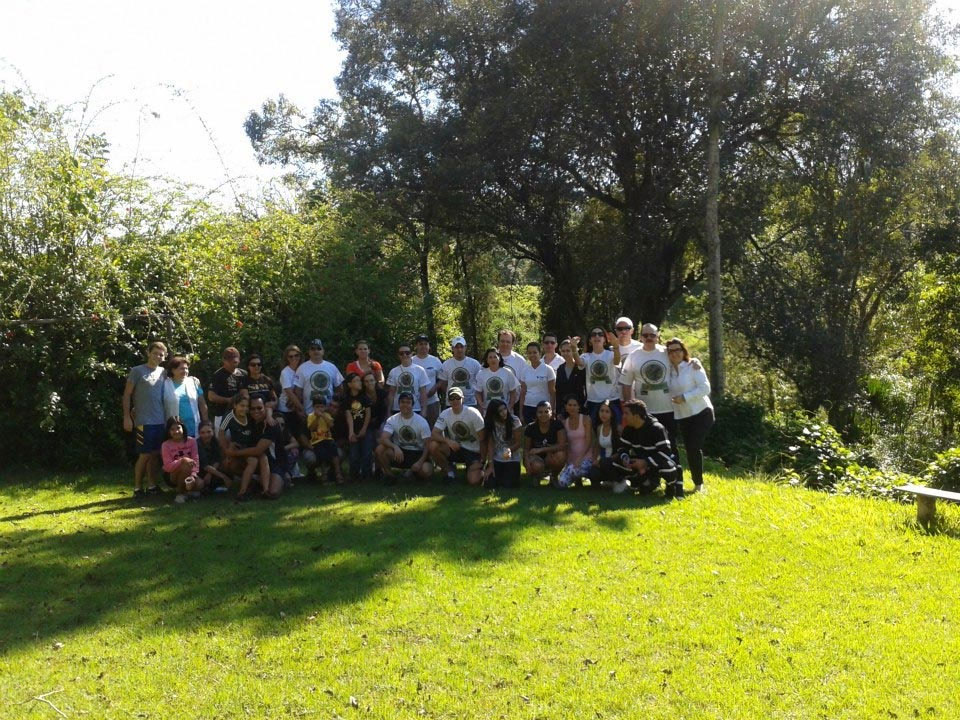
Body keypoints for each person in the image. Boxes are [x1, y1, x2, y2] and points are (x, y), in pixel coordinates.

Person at [588, 400, 681, 497]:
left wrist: (645, 462)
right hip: (638, 464)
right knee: (607, 463)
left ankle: (670, 488)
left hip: (655, 464)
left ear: (636, 416)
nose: (623, 416)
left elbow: (665, 453)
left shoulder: (656, 428)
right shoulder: (629, 429)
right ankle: (634, 482)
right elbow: (622, 448)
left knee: (669, 468)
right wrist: (625, 458)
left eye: (626, 413)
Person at [619, 323, 684, 458]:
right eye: (645, 335)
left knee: (670, 445)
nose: (649, 338)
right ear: (640, 337)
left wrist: (694, 363)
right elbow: (626, 384)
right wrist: (629, 408)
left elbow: (683, 363)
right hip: (644, 412)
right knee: (645, 446)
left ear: (658, 336)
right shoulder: (633, 356)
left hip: (668, 408)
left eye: (652, 335)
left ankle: (675, 471)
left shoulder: (666, 353)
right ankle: (649, 472)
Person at [666, 337, 715, 493]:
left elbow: (705, 388)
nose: (675, 353)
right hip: (683, 416)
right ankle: (695, 483)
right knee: (689, 448)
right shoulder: (667, 370)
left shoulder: (693, 365)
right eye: (671, 351)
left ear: (683, 351)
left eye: (678, 350)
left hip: (702, 412)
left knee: (693, 447)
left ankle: (699, 485)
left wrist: (685, 397)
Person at [122, 340, 168, 497]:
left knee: (155, 454)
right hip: (143, 421)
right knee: (144, 455)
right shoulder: (137, 371)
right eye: (155, 353)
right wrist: (127, 417)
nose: (158, 356)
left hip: (160, 421)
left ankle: (152, 485)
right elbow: (127, 394)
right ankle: (137, 488)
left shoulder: (164, 372)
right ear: (148, 353)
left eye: (161, 354)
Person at [430, 387, 486, 485]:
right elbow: (434, 434)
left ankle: (476, 468)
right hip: (456, 448)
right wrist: (448, 441)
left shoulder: (473, 413)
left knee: (474, 481)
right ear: (448, 401)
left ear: (462, 399)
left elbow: (483, 439)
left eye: (457, 398)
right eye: (452, 398)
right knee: (433, 445)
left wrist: (482, 461)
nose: (455, 400)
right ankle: (450, 472)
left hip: (474, 451)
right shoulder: (445, 414)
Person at [375, 391, 434, 484]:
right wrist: (395, 447)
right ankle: (389, 476)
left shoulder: (422, 422)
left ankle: (413, 473)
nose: (405, 405)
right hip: (400, 452)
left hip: (418, 453)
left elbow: (428, 445)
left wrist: (420, 462)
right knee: (380, 449)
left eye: (408, 402)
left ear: (412, 405)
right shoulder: (392, 419)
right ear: (398, 404)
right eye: (402, 402)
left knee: (426, 471)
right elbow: (383, 438)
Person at [218, 394, 264, 499]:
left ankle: (243, 491)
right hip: (237, 447)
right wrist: (226, 451)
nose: (245, 409)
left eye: (247, 406)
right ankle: (249, 485)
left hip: (250, 447)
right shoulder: (229, 416)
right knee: (231, 465)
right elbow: (221, 433)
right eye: (242, 406)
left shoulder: (250, 415)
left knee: (253, 461)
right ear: (235, 405)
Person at [577, 327, 622, 426]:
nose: (597, 336)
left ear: (605, 340)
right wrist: (573, 349)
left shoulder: (611, 354)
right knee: (593, 430)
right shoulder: (586, 356)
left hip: (612, 399)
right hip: (593, 401)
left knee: (616, 430)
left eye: (600, 334)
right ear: (590, 340)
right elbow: (579, 363)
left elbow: (617, 361)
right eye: (593, 334)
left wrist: (616, 346)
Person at [160, 416, 204, 504]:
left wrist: (193, 475)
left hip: (190, 472)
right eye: (172, 429)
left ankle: (188, 490)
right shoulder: (165, 445)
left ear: (183, 428)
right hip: (171, 474)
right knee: (185, 465)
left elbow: (196, 459)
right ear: (168, 431)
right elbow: (168, 466)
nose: (176, 431)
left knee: (200, 484)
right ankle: (180, 493)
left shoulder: (192, 441)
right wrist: (182, 460)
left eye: (178, 428)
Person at [481, 399, 523, 488]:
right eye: (500, 411)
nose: (504, 412)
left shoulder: (514, 421)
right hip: (497, 458)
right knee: (489, 484)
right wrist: (490, 465)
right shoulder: (490, 422)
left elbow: (519, 442)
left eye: (505, 409)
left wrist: (509, 449)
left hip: (512, 458)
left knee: (509, 485)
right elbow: (491, 445)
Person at [162, 355, 207, 438]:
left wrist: (205, 423)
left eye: (186, 368)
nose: (185, 371)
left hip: (194, 427)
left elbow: (202, 404)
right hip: (175, 430)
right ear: (173, 370)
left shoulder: (194, 382)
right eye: (182, 368)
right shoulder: (164, 384)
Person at [304, 391, 344, 485]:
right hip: (317, 441)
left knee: (334, 453)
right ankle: (324, 476)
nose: (319, 409)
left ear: (325, 407)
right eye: (317, 407)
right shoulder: (311, 416)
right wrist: (317, 418)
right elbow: (312, 428)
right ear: (313, 407)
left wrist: (323, 416)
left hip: (328, 439)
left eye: (322, 407)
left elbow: (331, 424)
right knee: (322, 457)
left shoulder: (327, 415)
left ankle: (338, 473)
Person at [523, 401, 567, 484]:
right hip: (535, 457)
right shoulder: (530, 427)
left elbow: (562, 446)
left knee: (561, 455)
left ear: (551, 413)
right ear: (536, 413)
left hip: (550, 455)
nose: (543, 414)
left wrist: (542, 449)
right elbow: (526, 449)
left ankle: (554, 476)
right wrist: (527, 463)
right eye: (540, 412)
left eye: (546, 411)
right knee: (537, 466)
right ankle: (537, 476)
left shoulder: (557, 425)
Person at [297, 339, 344, 416]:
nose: (316, 351)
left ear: (323, 351)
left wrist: (335, 406)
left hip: (329, 414)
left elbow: (340, 388)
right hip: (309, 414)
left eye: (319, 348)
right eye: (313, 349)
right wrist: (300, 409)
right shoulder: (302, 368)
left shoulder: (332, 367)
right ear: (309, 352)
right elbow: (298, 391)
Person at [341, 372, 373, 481]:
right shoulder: (346, 399)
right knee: (354, 454)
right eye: (356, 381)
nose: (359, 383)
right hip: (354, 429)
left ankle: (367, 475)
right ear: (349, 384)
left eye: (359, 380)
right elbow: (349, 416)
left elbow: (368, 414)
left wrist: (364, 429)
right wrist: (351, 433)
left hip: (366, 429)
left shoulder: (365, 397)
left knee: (367, 452)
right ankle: (354, 475)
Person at [207, 347, 247, 433]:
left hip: (241, 414)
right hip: (222, 413)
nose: (233, 364)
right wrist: (228, 400)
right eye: (230, 361)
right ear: (224, 360)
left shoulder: (243, 374)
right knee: (222, 438)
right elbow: (211, 396)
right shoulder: (218, 375)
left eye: (235, 361)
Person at [557, 395, 594, 488]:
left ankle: (582, 478)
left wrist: (580, 458)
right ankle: (577, 480)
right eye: (569, 405)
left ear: (579, 407)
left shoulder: (586, 419)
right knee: (561, 483)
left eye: (575, 405)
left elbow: (589, 441)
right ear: (566, 407)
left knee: (572, 471)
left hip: (586, 458)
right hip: (572, 461)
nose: (572, 407)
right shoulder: (564, 422)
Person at [437, 336, 482, 409]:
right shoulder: (446, 364)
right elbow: (443, 384)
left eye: (461, 347)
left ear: (465, 347)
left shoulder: (475, 364)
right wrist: (453, 396)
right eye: (456, 347)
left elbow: (480, 382)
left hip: (471, 402)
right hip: (452, 403)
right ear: (452, 348)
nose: (459, 349)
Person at [386, 342, 430, 415]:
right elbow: (391, 393)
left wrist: (424, 410)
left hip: (415, 408)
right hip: (397, 408)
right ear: (398, 355)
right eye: (401, 353)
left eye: (407, 353)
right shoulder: (393, 371)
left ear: (411, 354)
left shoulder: (420, 370)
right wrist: (388, 411)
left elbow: (423, 393)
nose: (404, 355)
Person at [518, 341, 557, 424]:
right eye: (529, 353)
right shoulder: (525, 370)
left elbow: (552, 392)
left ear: (540, 353)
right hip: (528, 407)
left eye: (535, 352)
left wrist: (552, 410)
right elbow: (523, 392)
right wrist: (521, 413)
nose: (532, 355)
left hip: (544, 408)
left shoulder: (548, 369)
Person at [412, 334, 444, 427]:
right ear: (416, 346)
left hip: (432, 401)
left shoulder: (435, 361)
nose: (423, 346)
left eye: (426, 344)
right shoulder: (411, 360)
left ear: (429, 346)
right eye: (421, 344)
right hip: (414, 403)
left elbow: (442, 379)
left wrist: (435, 388)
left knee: (435, 428)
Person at [476, 348, 519, 413]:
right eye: (490, 357)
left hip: (505, 411)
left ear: (499, 358)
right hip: (488, 411)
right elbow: (478, 392)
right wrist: (481, 404)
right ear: (487, 360)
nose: (493, 359)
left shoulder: (508, 373)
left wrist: (510, 407)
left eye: (495, 357)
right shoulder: (481, 374)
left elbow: (513, 392)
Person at [278, 344, 306, 444]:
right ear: (287, 358)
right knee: (290, 436)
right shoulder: (285, 372)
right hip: (286, 409)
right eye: (291, 356)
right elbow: (290, 394)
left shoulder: (303, 369)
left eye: (296, 355)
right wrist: (302, 410)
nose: (294, 358)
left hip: (298, 407)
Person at [240, 354, 278, 423]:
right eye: (253, 364)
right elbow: (245, 399)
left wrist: (274, 403)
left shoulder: (267, 379)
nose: (256, 366)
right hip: (252, 413)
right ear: (248, 366)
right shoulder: (244, 381)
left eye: (259, 364)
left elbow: (274, 398)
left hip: (268, 411)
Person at [196, 420, 231, 491]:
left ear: (213, 431)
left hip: (212, 469)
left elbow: (217, 459)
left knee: (227, 466)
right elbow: (204, 465)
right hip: (200, 470)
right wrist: (223, 477)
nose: (206, 435)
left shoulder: (215, 441)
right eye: (203, 433)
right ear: (199, 433)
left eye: (209, 432)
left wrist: (210, 474)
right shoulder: (197, 444)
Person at [554, 337, 586, 409]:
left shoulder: (581, 368)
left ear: (574, 351)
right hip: (564, 408)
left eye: (568, 351)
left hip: (579, 407)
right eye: (563, 351)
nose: (565, 353)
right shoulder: (560, 369)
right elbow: (558, 392)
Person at [363, 371, 389, 437]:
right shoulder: (362, 396)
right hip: (367, 423)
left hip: (381, 420)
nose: (369, 383)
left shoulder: (382, 394)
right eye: (366, 381)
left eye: (371, 380)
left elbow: (384, 411)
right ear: (364, 383)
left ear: (375, 381)